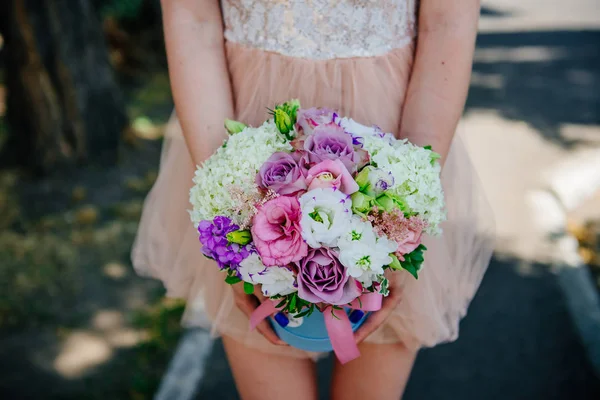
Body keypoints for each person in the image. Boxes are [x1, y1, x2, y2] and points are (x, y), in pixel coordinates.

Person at [132, 1, 495, 399]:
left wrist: (403, 218)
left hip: (395, 137)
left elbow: (446, 23)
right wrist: (229, 208)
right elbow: (192, 17)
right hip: (243, 134)